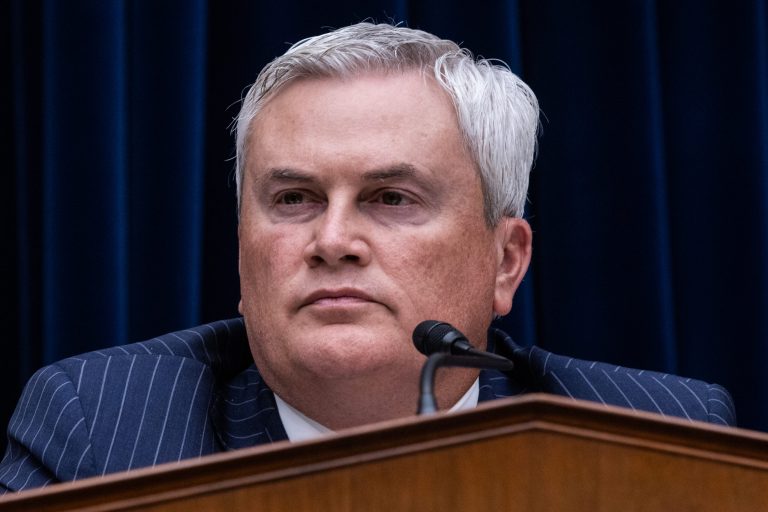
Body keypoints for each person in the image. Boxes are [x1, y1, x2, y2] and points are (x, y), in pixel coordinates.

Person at [0, 22, 735, 493]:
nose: (332, 241)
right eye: (293, 200)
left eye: (391, 199)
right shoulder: (103, 431)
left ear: (506, 261)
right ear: (240, 257)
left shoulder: (653, 435)